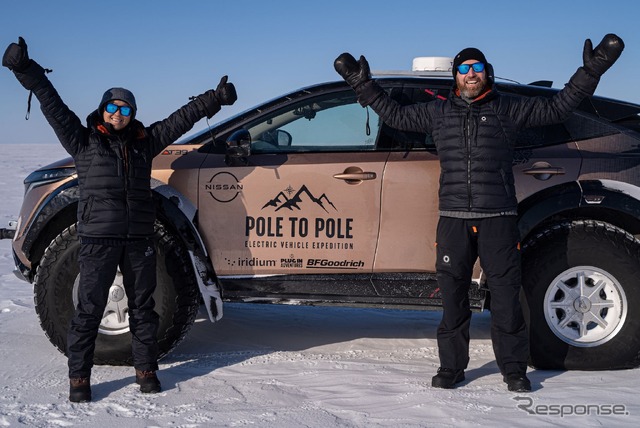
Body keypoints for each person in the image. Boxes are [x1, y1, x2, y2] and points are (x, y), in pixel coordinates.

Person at [334, 34, 624, 392]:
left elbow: (559, 107)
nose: (471, 74)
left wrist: (592, 69)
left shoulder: (508, 108)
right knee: (453, 298)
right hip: (453, 219)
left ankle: (514, 369)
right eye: (463, 69)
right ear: (455, 76)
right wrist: (360, 82)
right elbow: (393, 113)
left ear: (488, 73)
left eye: (477, 68)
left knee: (505, 298)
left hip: (498, 218)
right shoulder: (438, 112)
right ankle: (451, 368)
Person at [3, 37, 237, 403]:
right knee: (89, 309)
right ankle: (79, 377)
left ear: (132, 114)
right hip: (98, 239)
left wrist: (213, 99)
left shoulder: (145, 142)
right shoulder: (83, 142)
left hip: (139, 240)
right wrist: (25, 70)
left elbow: (180, 120)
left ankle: (145, 370)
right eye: (113, 106)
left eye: (126, 109)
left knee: (144, 308)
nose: (118, 113)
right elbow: (53, 105)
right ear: (103, 109)